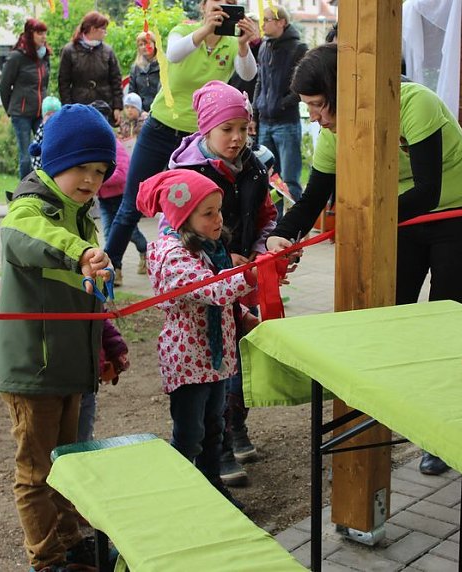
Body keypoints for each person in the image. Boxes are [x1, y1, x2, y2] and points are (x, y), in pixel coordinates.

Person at [266, 44, 462, 476]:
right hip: (401, 221)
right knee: (395, 320)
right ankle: (403, 414)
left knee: (444, 321)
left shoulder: (415, 104)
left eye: (317, 105)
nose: (314, 116)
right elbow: (314, 196)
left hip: (460, 217)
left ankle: (443, 436)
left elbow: (427, 190)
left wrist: (363, 224)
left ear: (339, 90)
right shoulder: (331, 132)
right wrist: (281, 235)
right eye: (308, 108)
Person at [0, 103, 118, 571]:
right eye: (81, 167)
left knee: (66, 466)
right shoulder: (30, 207)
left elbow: (86, 296)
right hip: (33, 371)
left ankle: (71, 543)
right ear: (55, 161)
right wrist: (81, 251)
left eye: (101, 171)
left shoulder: (81, 216)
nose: (91, 179)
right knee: (35, 473)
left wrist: (107, 343)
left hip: (68, 367)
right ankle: (46, 560)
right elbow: (23, 237)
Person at [167, 80, 276, 485]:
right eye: (226, 129)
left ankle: (237, 426)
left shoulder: (256, 165)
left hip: (245, 278)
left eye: (242, 129)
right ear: (205, 131)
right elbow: (173, 234)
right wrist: (219, 260)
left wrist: (268, 247)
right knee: (217, 363)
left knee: (243, 357)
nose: (236, 138)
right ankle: (220, 448)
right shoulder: (185, 174)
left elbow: (267, 213)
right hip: (208, 289)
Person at [103, 0, 259, 278]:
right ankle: (109, 264)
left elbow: (248, 73)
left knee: (198, 205)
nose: (225, 5)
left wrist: (245, 44)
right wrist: (205, 30)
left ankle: (198, 268)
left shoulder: (232, 43)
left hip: (199, 139)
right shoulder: (183, 30)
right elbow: (174, 54)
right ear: (203, 6)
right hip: (160, 127)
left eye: (231, 2)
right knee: (130, 203)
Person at [136, 168, 259, 510]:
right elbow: (212, 288)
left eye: (219, 210)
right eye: (208, 213)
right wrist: (250, 274)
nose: (218, 219)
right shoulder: (170, 255)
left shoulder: (209, 247)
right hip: (188, 361)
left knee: (214, 427)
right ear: (183, 216)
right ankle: (178, 496)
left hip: (214, 360)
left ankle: (211, 489)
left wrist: (243, 313)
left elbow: (222, 294)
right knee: (189, 435)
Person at [252, 5, 307, 212]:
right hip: (265, 122)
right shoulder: (265, 47)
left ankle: (296, 226)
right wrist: (255, 115)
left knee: (290, 179)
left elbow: (303, 84)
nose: (262, 24)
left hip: (286, 122)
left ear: (281, 22)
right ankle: (274, 225)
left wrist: (282, 103)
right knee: (269, 178)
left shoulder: (298, 48)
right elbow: (260, 82)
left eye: (266, 19)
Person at [91, 99, 149, 286]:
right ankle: (116, 271)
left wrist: (100, 178)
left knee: (130, 232)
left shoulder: (113, 144)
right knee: (110, 233)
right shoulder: (92, 145)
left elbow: (122, 174)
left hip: (119, 197)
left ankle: (145, 250)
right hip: (105, 200)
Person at [0, 18, 52, 180]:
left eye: (44, 33)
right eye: (39, 33)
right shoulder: (17, 57)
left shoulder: (44, 56)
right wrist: (11, 109)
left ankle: (43, 187)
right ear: (30, 34)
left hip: (40, 112)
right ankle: (25, 191)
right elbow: (4, 86)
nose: (43, 37)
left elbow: (44, 84)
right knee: (26, 155)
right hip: (21, 114)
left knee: (44, 150)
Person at [57, 11, 123, 125]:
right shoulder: (69, 51)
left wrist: (117, 107)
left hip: (104, 105)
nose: (105, 33)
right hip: (79, 106)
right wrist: (68, 108)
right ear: (93, 29)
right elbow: (63, 83)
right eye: (103, 29)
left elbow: (116, 80)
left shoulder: (108, 51)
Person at [127, 31, 161, 112]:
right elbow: (132, 93)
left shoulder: (163, 65)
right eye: (141, 45)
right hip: (141, 113)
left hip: (160, 111)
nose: (144, 47)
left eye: (147, 43)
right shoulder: (135, 68)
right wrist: (141, 112)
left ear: (155, 44)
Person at [29, 96, 62, 172]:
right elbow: (36, 147)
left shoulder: (60, 129)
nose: (51, 117)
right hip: (41, 164)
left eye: (54, 114)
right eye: (48, 114)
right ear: (43, 116)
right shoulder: (42, 130)